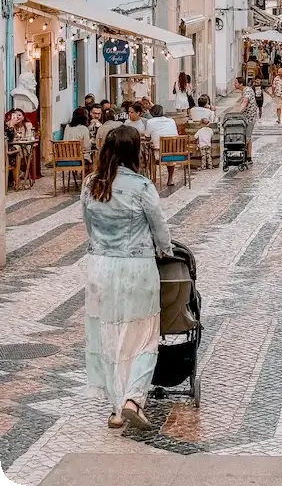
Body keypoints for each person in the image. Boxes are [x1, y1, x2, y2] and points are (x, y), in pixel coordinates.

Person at [81, 124, 172, 431]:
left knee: (107, 337)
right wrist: (165, 250)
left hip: (100, 269)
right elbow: (160, 229)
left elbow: (89, 228)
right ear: (135, 151)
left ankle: (115, 409)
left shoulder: (91, 184)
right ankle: (133, 397)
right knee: (143, 336)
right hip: (136, 270)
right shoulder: (142, 186)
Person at [145, 105, 179, 187]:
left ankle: (151, 178)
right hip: (175, 155)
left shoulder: (150, 122)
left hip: (159, 156)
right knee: (169, 152)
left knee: (148, 152)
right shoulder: (171, 121)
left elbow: (147, 136)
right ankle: (170, 179)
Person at [234, 76, 258, 164]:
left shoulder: (247, 91)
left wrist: (238, 112)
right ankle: (248, 156)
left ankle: (248, 157)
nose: (234, 84)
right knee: (247, 137)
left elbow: (245, 101)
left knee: (247, 136)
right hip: (247, 117)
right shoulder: (245, 90)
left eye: (236, 83)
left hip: (249, 117)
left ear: (241, 84)